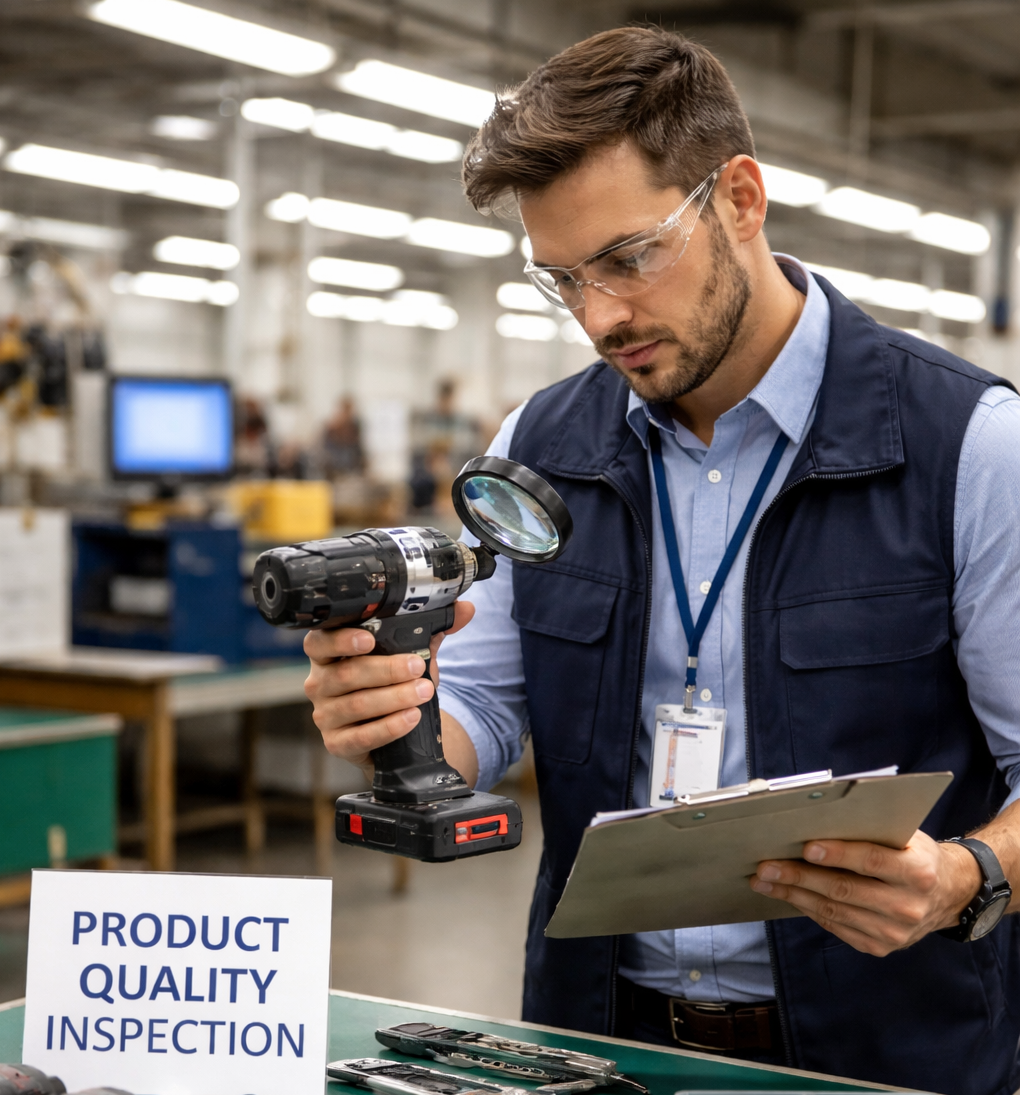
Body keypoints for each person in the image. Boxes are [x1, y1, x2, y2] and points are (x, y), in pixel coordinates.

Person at [302, 27, 1020, 1095]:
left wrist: (968, 874)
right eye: (562, 279)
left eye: (630, 257)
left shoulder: (969, 446)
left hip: (880, 1055)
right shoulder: (538, 447)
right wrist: (392, 714)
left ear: (740, 199)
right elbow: (479, 718)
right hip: (599, 1048)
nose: (601, 316)